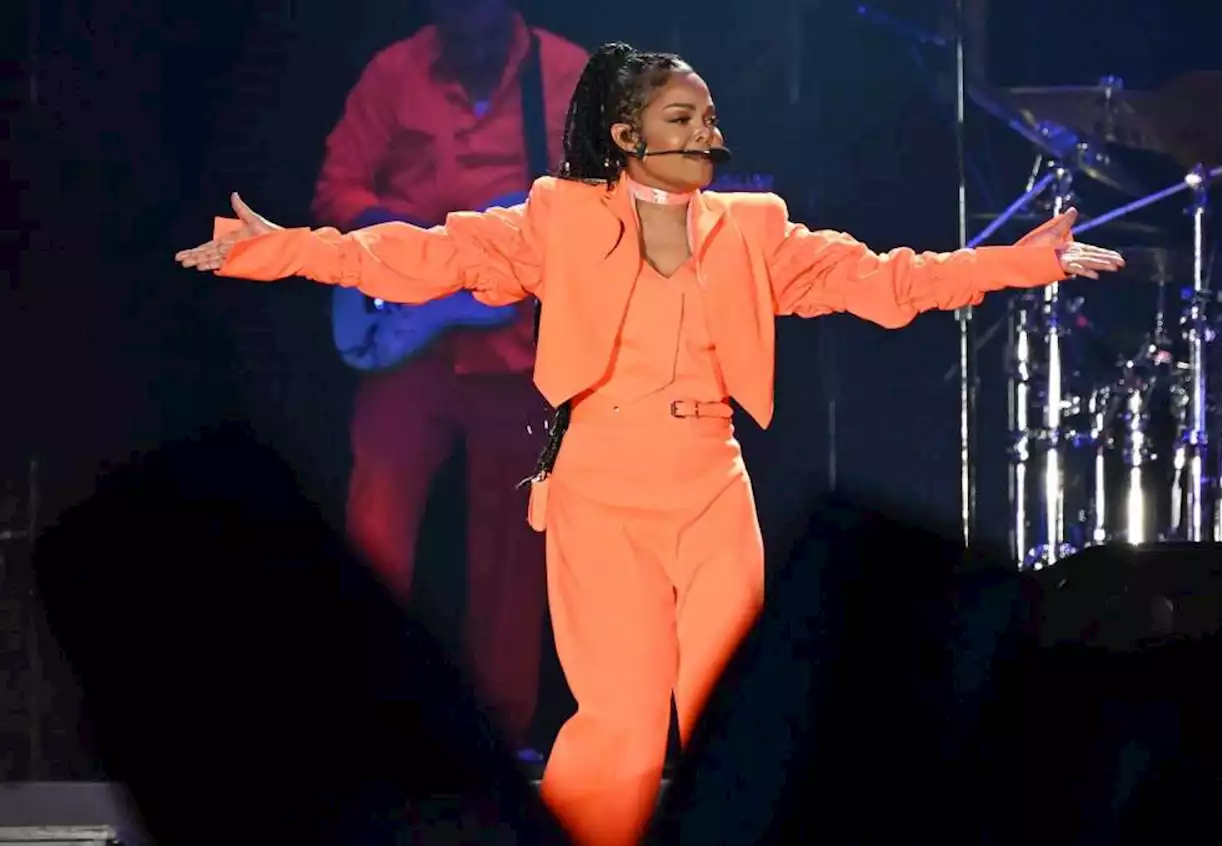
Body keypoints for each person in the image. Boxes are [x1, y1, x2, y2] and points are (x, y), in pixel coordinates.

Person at [176, 41, 1125, 846]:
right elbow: (428, 256)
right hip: (600, 483)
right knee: (621, 732)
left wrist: (1021, 262)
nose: (705, 135)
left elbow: (881, 281)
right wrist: (283, 248)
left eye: (708, 117)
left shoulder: (753, 229)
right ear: (626, 135)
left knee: (745, 717)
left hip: (713, 482)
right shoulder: (559, 216)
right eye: (680, 119)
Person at [312, 0, 588, 756]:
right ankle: (364, 722)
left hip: (517, 355)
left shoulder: (568, 77)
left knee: (511, 550)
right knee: (374, 532)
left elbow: (606, 205)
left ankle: (497, 740)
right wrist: (413, 252)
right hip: (407, 350)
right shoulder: (393, 73)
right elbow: (334, 189)